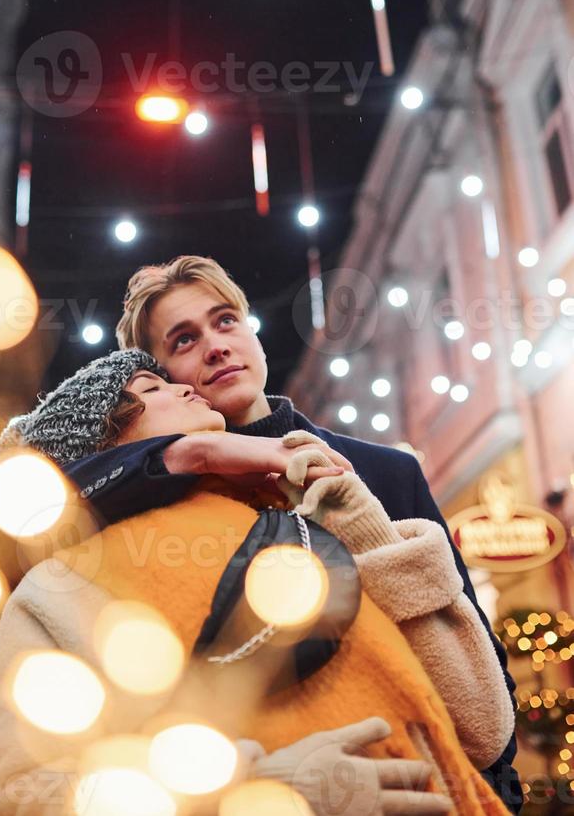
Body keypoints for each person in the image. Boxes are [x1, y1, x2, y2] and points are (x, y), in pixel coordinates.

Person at [0, 349, 515, 816]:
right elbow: (21, 790)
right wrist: (258, 791)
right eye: (151, 389)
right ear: (101, 441)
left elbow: (483, 730)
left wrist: (365, 528)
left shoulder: (299, 519)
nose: (185, 384)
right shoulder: (61, 588)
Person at [77, 254, 520, 810]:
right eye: (183, 340)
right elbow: (48, 485)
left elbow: (479, 656)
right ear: (164, 379)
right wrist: (193, 450)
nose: (216, 346)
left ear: (253, 335)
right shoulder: (164, 503)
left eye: (225, 321)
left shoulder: (383, 471)